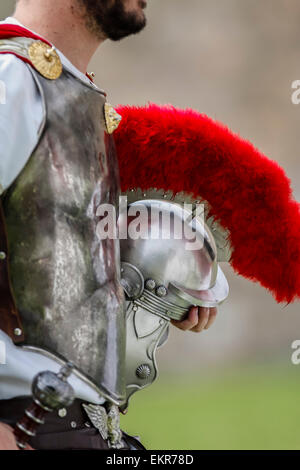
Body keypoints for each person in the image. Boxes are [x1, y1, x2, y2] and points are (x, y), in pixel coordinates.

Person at [0, 0, 299, 451]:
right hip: (31, 427)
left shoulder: (61, 86)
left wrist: (153, 285)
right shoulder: (13, 81)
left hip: (84, 427)